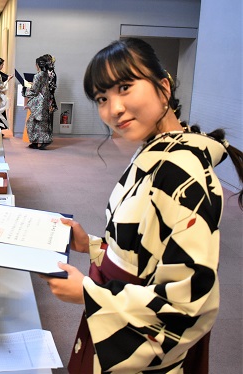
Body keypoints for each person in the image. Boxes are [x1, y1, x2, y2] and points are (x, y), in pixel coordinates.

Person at [40, 38, 243, 374]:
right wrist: (89, 245)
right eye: (103, 98)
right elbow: (144, 250)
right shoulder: (156, 152)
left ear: (163, 86)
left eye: (125, 87)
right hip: (121, 312)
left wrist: (90, 295)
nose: (113, 108)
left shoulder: (182, 172)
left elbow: (185, 303)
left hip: (143, 350)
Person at [25, 55, 52, 149]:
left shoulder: (38, 75)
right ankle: (37, 142)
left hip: (39, 101)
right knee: (41, 122)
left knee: (32, 122)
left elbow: (34, 90)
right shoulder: (46, 74)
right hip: (45, 100)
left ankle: (42, 141)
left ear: (38, 65)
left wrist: (26, 89)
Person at [44, 54, 58, 135]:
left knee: (47, 120)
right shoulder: (49, 71)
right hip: (48, 98)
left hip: (48, 99)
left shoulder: (50, 73)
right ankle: (45, 139)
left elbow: (50, 88)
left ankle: (46, 139)